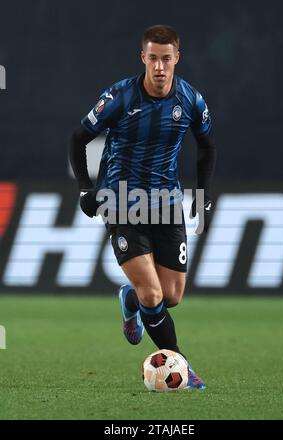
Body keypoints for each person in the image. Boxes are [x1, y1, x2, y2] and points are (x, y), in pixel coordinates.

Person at [69, 24, 217, 389]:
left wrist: (202, 195)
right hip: (122, 202)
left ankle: (129, 299)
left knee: (171, 296)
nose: (160, 67)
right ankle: (182, 365)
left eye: (167, 59)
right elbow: (79, 138)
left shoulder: (191, 100)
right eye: (153, 58)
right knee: (154, 295)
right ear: (144, 58)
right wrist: (85, 190)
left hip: (167, 203)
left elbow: (208, 146)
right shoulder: (119, 97)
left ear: (177, 58)